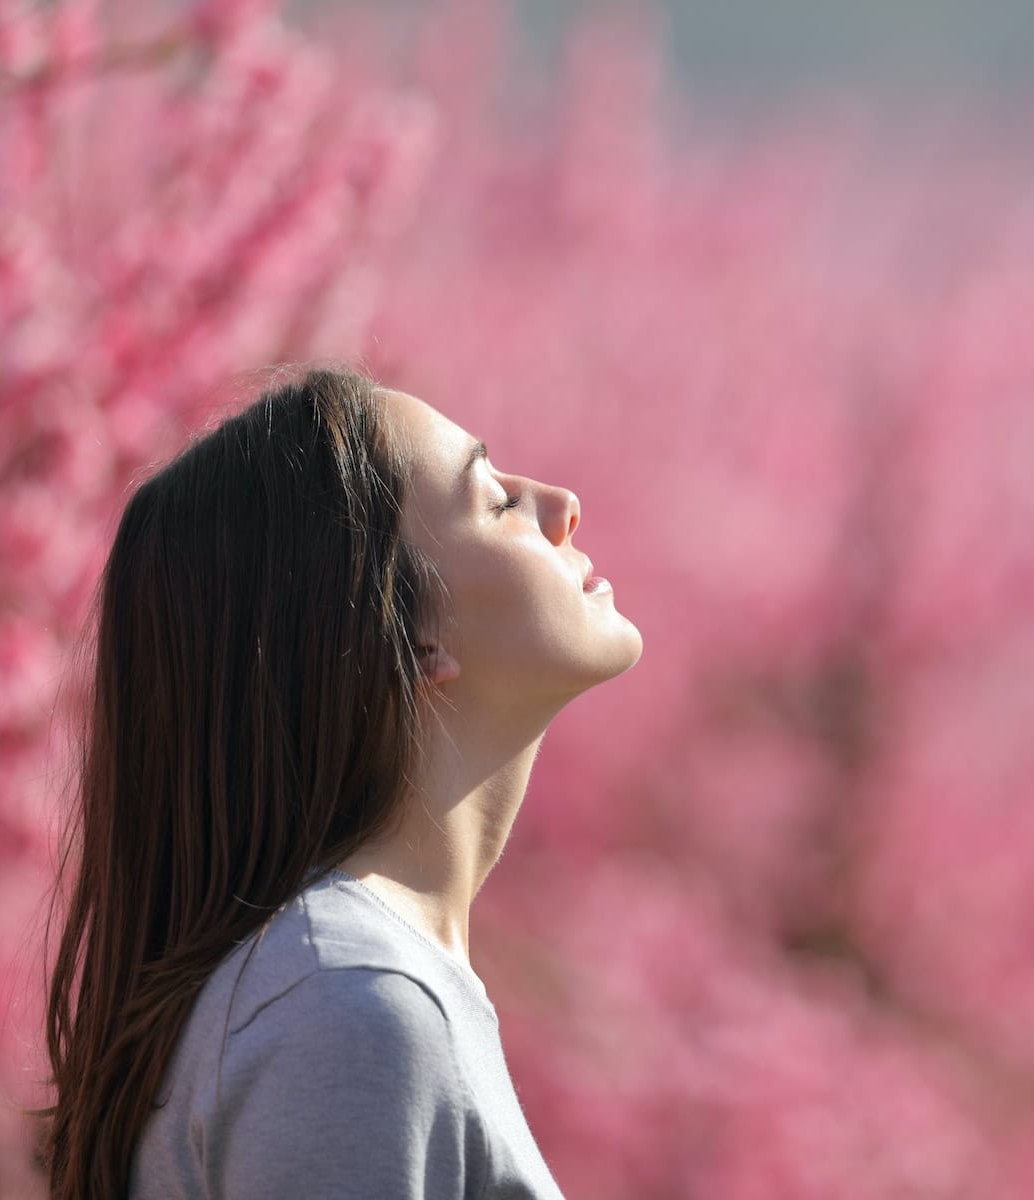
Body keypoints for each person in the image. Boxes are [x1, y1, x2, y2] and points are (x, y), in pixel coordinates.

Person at [34, 364, 641, 1198]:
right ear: (410, 637)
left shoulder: (342, 991)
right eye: (495, 501)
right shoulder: (350, 1009)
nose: (561, 503)